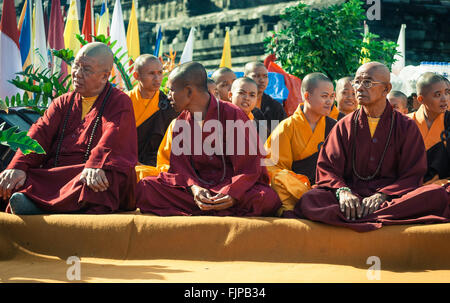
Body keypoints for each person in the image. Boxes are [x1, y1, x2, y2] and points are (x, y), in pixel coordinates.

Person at [290, 62, 450, 232]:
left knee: (436, 195)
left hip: (391, 197)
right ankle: (374, 215)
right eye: (357, 82)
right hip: (351, 195)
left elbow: (412, 173)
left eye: (367, 82)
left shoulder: (405, 126)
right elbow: (327, 168)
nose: (359, 88)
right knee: (311, 199)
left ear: (386, 89)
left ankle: (358, 215)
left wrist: (383, 195)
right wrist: (342, 191)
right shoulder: (344, 125)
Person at [0, 42, 138, 214]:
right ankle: (38, 201)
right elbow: (39, 132)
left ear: (104, 76)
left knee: (103, 181)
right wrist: (17, 166)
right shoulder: (63, 102)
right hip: (58, 174)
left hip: (88, 173)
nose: (77, 74)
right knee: (16, 178)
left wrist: (95, 165)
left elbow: (113, 135)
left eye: (86, 69)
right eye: (76, 65)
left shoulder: (119, 101)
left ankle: (36, 202)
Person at [136, 62, 281, 217]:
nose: (168, 95)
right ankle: (213, 207)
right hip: (198, 189)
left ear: (189, 91)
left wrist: (232, 194)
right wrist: (195, 188)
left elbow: (250, 167)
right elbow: (180, 168)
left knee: (266, 198)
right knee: (146, 187)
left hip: (232, 185)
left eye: (171, 90)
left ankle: (216, 206)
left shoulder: (232, 114)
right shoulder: (181, 122)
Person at [265, 72, 337, 216]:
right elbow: (272, 167)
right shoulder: (287, 127)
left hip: (325, 187)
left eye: (331, 96)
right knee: (279, 179)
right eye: (324, 96)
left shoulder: (334, 127)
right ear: (307, 96)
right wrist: (301, 185)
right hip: (296, 189)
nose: (329, 101)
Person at [127, 54, 178, 166]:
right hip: (125, 160)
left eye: (160, 73)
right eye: (151, 73)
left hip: (155, 163)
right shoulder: (123, 101)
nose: (157, 78)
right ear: (136, 76)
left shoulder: (168, 105)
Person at [408, 72, 449, 184]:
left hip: (444, 185)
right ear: (421, 99)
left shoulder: (448, 121)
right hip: (410, 184)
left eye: (447, 92)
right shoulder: (406, 123)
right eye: (437, 95)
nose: (444, 99)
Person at [244, 61, 286, 137]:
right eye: (256, 76)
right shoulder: (240, 104)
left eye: (265, 76)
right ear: (245, 77)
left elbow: (284, 134)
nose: (262, 80)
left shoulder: (275, 106)